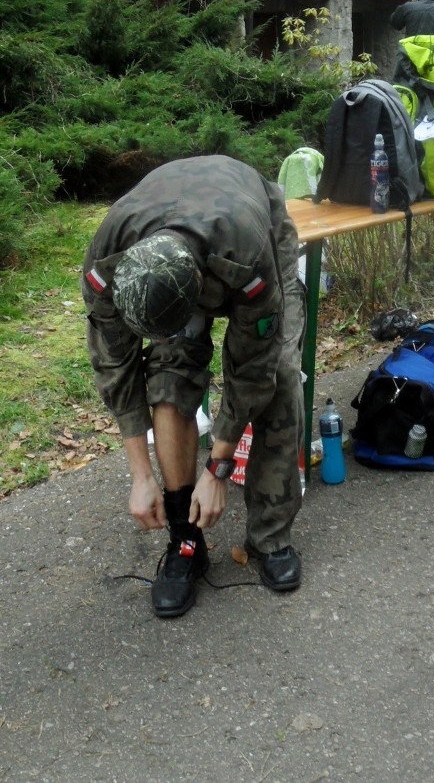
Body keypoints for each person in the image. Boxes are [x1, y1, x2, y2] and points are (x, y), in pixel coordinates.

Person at [82, 155, 305, 619]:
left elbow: (251, 371)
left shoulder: (246, 259)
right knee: (168, 373)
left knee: (280, 378)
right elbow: (116, 367)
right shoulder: (108, 263)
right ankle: (186, 539)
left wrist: (217, 469)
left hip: (248, 227)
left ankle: (269, 539)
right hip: (166, 236)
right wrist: (142, 476)